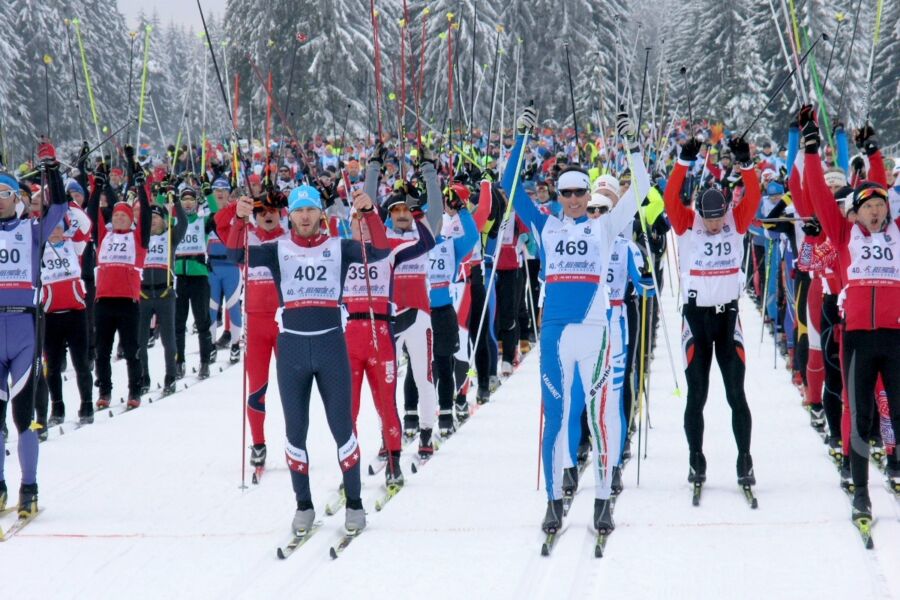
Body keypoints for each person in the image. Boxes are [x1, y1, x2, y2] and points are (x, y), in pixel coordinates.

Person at [509, 107, 648, 535]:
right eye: (565, 192)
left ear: (588, 196)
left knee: (600, 417)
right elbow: (509, 188)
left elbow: (641, 188)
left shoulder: (605, 228)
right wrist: (520, 137)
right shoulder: (546, 226)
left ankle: (603, 500)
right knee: (556, 415)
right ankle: (554, 501)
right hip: (554, 336)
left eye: (579, 193)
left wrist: (633, 145)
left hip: (596, 334)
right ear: (557, 194)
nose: (572, 199)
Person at [226, 185, 393, 535]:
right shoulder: (277, 249)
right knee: (295, 431)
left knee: (342, 428)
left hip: (332, 345)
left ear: (321, 214)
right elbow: (235, 256)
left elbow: (379, 250)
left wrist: (370, 212)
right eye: (299, 211)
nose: (304, 217)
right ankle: (303, 505)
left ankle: (355, 504)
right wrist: (239, 220)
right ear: (291, 215)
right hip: (293, 350)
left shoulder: (338, 246)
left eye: (310, 210)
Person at [801, 108, 900, 521]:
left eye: (880, 205)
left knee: (897, 409)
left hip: (895, 336)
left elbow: (883, 184)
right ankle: (861, 491)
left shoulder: (897, 232)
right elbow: (820, 197)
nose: (875, 212)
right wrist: (810, 151)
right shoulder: (843, 235)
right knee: (859, 417)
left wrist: (873, 153)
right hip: (857, 335)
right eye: (867, 206)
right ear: (854, 213)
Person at [662, 134, 761, 489]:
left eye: (720, 217)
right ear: (700, 212)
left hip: (727, 318)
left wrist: (744, 160)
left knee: (737, 394)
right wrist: (683, 161)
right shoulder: (688, 224)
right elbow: (671, 197)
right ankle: (696, 459)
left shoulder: (736, 222)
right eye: (711, 218)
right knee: (697, 395)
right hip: (696, 319)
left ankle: (745, 460)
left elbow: (754, 194)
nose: (716, 224)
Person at [0, 142, 67, 516]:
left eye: (5, 194)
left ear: (17, 199)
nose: (0, 201)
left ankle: (30, 486)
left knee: (23, 416)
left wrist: (51, 170)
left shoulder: (32, 230)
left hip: (24, 328)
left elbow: (58, 207)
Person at [215, 189, 289, 473]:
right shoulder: (246, 235)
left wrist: (288, 198)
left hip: (285, 322)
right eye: (260, 212)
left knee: (291, 390)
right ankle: (258, 443)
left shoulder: (290, 236)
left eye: (271, 210)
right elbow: (219, 223)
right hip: (256, 323)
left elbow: (319, 225)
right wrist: (239, 206)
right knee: (257, 389)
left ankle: (295, 441)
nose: (266, 215)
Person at [88, 148, 152, 409]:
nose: (118, 218)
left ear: (130, 219)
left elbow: (146, 214)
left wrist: (141, 186)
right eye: (115, 216)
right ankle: (104, 391)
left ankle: (135, 390)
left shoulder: (138, 239)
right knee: (102, 351)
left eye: (123, 215)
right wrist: (97, 187)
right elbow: (92, 213)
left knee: (130, 349)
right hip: (104, 301)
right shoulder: (105, 236)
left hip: (128, 302)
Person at [41, 218, 94, 426]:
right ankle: (57, 407)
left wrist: (66, 205)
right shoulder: (39, 249)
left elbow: (86, 226)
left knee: (81, 363)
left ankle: (87, 404)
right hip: (51, 315)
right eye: (51, 227)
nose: (55, 231)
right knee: (52, 366)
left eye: (59, 227)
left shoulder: (73, 245)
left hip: (75, 313)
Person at [138, 190, 187, 396]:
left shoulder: (170, 237)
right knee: (140, 340)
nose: (153, 222)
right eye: (151, 218)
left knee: (168, 339)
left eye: (157, 218)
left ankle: (170, 376)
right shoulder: (141, 239)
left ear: (164, 221)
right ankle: (143, 377)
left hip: (165, 293)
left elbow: (183, 222)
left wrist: (174, 199)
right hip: (144, 294)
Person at [173, 184, 217, 380]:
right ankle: (179, 361)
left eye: (191, 199)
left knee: (202, 322)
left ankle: (205, 362)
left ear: (196, 202)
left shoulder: (202, 221)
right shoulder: (173, 222)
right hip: (179, 278)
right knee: (178, 322)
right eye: (184, 199)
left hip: (199, 277)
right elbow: (156, 215)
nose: (188, 203)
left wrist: (208, 193)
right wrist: (162, 193)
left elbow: (217, 214)